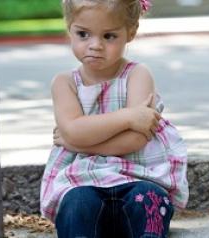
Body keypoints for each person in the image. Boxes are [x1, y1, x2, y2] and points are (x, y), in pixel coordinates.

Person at [40, 0, 189, 237]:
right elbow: (75, 130)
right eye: (83, 34)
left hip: (139, 174)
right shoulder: (64, 82)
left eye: (109, 36)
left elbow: (135, 140)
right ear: (70, 28)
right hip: (81, 179)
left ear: (131, 32)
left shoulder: (138, 75)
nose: (95, 45)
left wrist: (74, 142)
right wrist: (128, 116)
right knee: (76, 205)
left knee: (149, 200)